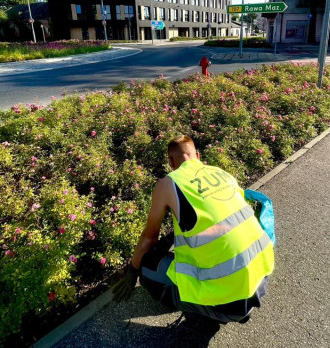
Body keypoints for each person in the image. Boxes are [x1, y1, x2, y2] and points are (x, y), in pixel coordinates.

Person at [111, 135, 274, 324]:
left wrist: (132, 272)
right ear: (197, 155)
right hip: (261, 279)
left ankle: (213, 310)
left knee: (148, 266)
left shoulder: (168, 184)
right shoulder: (222, 173)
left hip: (230, 302)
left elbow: (149, 238)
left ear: (171, 161)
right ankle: (229, 304)